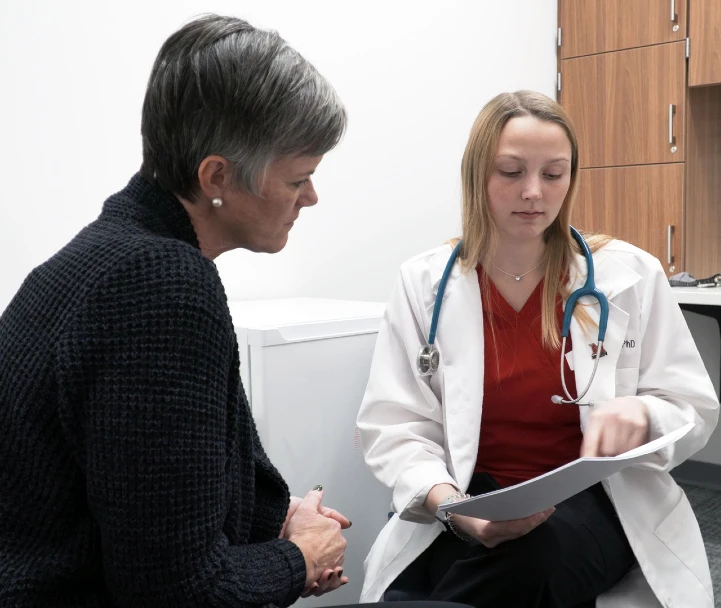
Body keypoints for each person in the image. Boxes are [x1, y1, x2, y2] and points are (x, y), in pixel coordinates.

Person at [0, 15, 469, 608]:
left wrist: (280, 518)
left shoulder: (98, 257)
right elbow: (176, 592)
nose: (312, 198)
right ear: (217, 176)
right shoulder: (161, 290)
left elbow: (150, 503)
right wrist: (300, 558)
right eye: (299, 178)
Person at [356, 91, 720, 608]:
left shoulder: (630, 276)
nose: (533, 193)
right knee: (421, 587)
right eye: (510, 172)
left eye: (553, 174)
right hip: (465, 495)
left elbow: (692, 406)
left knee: (530, 563)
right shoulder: (424, 284)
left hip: (595, 502)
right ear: (477, 174)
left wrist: (642, 413)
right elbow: (394, 426)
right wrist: (453, 506)